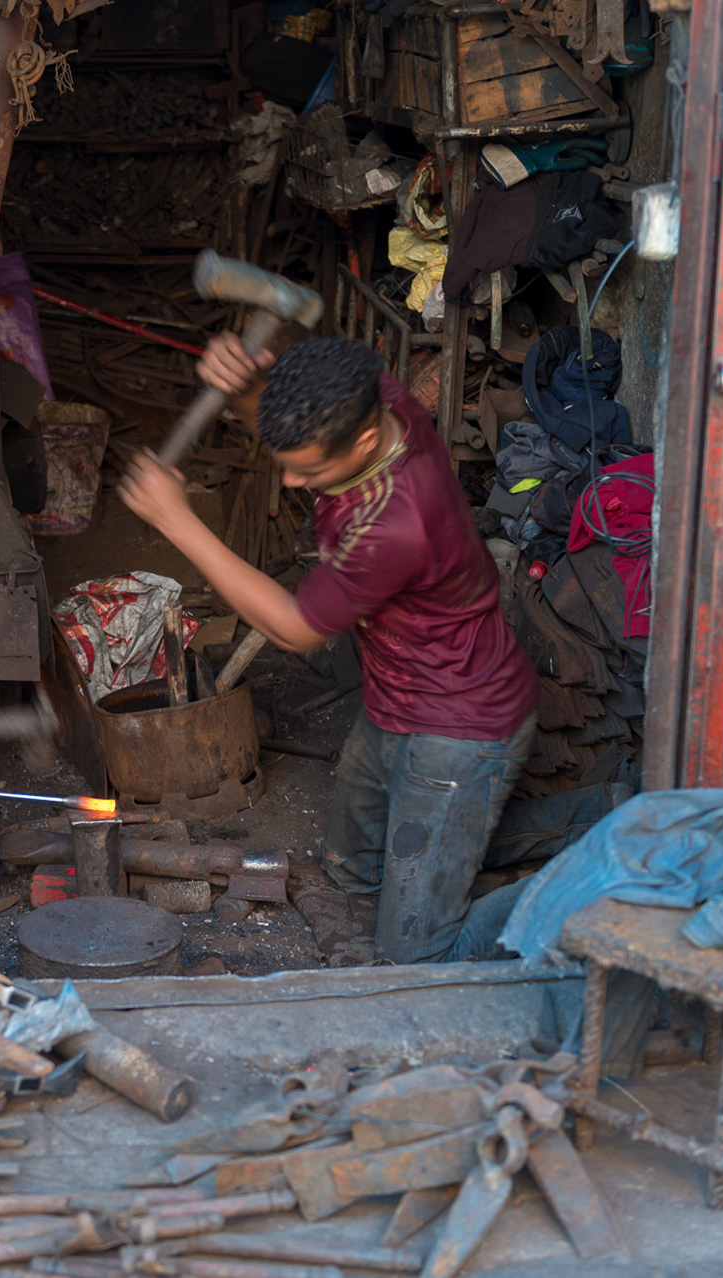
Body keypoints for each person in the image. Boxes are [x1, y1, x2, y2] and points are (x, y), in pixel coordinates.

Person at [119, 332, 539, 965]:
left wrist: (177, 520)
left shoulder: (396, 522)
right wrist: (249, 390)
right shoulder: (374, 399)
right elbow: (294, 427)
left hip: (462, 724)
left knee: (415, 960)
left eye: (309, 471)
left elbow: (295, 628)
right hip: (398, 694)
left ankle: (581, 885)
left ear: (364, 442)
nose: (292, 480)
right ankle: (498, 829)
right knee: (349, 870)